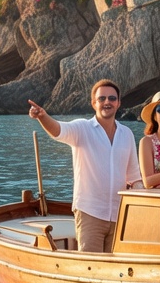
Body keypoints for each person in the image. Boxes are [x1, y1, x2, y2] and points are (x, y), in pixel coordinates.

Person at [28, 79, 141, 253]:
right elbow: (59, 130)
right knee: (92, 267)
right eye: (101, 98)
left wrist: (140, 209)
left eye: (111, 98)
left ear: (118, 103)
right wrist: (43, 117)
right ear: (93, 103)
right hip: (90, 212)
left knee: (116, 269)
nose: (107, 102)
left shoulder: (127, 134)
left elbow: (133, 176)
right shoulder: (82, 128)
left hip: (119, 215)